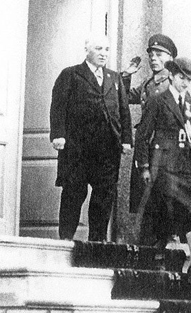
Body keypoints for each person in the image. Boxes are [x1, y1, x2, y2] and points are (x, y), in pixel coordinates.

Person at [134, 57, 191, 285]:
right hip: (163, 166)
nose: (185, 83)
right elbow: (143, 136)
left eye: (189, 80)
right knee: (167, 212)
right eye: (181, 78)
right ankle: (158, 258)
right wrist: (144, 166)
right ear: (172, 76)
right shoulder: (158, 101)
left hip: (185, 166)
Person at [50, 34, 132, 241]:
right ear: (87, 50)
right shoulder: (71, 74)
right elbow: (58, 107)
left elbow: (123, 110)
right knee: (74, 193)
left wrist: (126, 139)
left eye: (106, 49)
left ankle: (98, 242)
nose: (103, 54)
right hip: (77, 148)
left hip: (107, 149)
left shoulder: (114, 78)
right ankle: (66, 240)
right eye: (98, 49)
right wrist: (58, 135)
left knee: (104, 196)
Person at [122, 34, 178, 245]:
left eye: (159, 54)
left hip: (163, 151)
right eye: (151, 54)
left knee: (160, 202)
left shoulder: (170, 83)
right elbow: (124, 97)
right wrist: (127, 75)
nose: (153, 58)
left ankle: (159, 249)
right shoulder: (148, 83)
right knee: (148, 203)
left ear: (170, 57)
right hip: (147, 148)